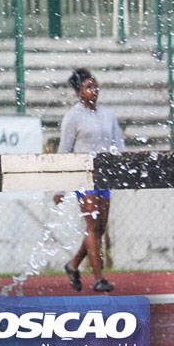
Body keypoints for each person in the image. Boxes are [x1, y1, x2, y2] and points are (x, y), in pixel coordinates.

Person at [54, 68, 125, 293]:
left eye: (95, 86)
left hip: (105, 175)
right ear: (79, 92)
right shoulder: (73, 117)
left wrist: (128, 174)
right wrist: (60, 187)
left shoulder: (107, 115)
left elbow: (118, 145)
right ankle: (98, 277)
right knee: (92, 225)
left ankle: (72, 265)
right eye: (88, 87)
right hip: (83, 176)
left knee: (100, 228)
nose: (93, 91)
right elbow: (64, 151)